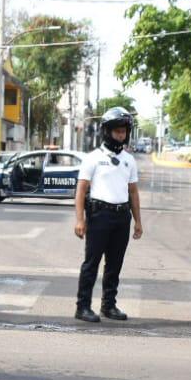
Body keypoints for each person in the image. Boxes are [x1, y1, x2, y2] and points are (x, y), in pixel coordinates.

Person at [73, 105, 143, 322]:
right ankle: (82, 307)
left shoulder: (129, 160)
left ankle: (108, 305)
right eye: (117, 131)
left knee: (115, 265)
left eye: (124, 131)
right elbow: (81, 189)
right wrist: (80, 220)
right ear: (107, 131)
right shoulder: (93, 158)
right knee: (91, 263)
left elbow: (133, 192)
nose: (121, 135)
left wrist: (138, 221)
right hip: (99, 215)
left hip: (122, 217)